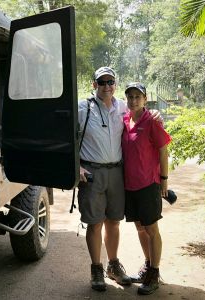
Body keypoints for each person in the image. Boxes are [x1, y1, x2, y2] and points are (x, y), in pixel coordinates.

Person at [77, 66, 132, 291]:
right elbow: (67, 138)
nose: (107, 86)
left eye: (110, 82)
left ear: (115, 84)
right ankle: (96, 268)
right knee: (94, 222)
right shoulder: (83, 108)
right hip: (91, 173)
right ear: (94, 85)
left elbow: (140, 121)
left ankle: (113, 265)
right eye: (102, 82)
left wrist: (155, 114)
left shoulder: (123, 106)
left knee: (114, 221)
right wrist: (76, 167)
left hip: (117, 172)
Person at [121, 82, 171, 295]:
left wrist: (164, 180)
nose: (133, 100)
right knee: (140, 227)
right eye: (130, 96)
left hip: (149, 184)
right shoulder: (125, 120)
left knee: (151, 229)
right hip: (130, 185)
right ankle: (148, 265)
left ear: (145, 98)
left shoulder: (152, 121)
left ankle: (154, 273)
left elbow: (163, 150)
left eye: (137, 97)